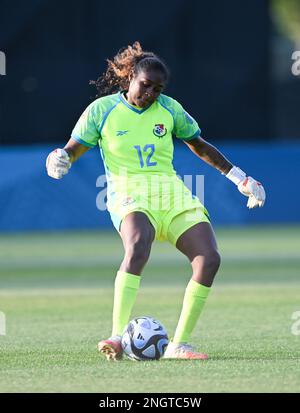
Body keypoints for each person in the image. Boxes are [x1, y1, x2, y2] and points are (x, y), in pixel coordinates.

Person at [46, 41, 265, 361]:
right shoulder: (102, 110)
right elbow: (74, 148)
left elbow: (200, 146)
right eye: (145, 85)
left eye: (157, 89)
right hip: (127, 191)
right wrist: (61, 157)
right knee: (137, 245)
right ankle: (117, 336)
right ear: (130, 77)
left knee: (210, 258)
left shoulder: (170, 109)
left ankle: (179, 344)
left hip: (172, 192)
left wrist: (240, 178)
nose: (150, 93)